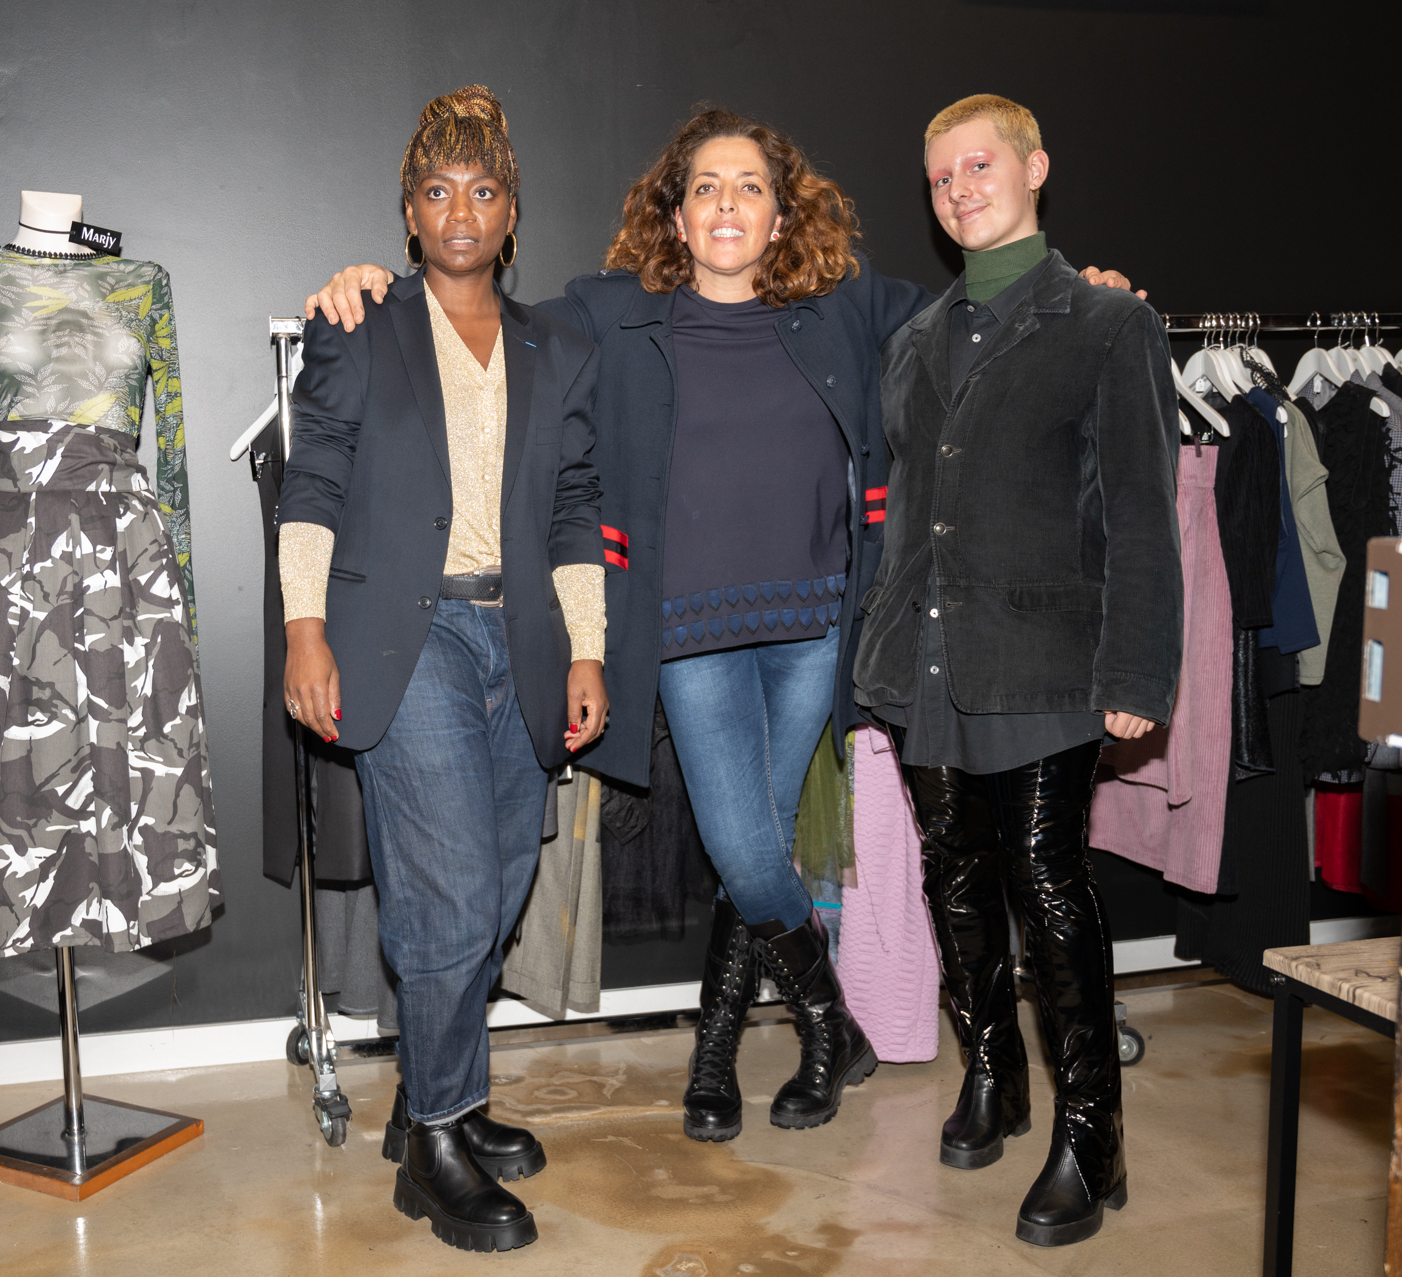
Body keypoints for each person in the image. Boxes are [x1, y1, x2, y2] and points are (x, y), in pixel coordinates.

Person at [305, 109, 1140, 1147]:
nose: (727, 203)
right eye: (705, 186)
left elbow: (986, 303)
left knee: (762, 853)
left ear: (782, 214)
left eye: (749, 186)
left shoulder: (847, 306)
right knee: (744, 846)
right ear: (677, 214)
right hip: (688, 630)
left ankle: (715, 1055)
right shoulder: (616, 311)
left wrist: (1083, 292)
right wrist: (370, 285)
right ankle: (832, 1021)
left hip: (812, 627)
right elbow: (469, 296)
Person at [277, 85, 607, 1254]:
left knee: (499, 880)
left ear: (511, 212)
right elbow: (313, 480)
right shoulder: (360, 325)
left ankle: (440, 1098)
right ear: (409, 212)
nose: (459, 211)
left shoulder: (559, 346)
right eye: (436, 191)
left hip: (522, 640)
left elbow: (574, 507)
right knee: (452, 888)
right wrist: (303, 628)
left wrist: (587, 644)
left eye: (482, 191)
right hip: (405, 642)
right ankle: (435, 1140)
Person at [853, 94, 1182, 1248]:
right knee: (953, 872)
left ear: (1036, 167)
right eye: (941, 176)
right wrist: (880, 646)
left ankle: (1095, 1132)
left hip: (1047, 660)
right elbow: (908, 515)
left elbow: (1143, 515)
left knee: (1047, 881)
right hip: (926, 656)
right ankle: (993, 1069)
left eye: (979, 165)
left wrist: (1139, 670)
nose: (959, 189)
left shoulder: (1109, 323)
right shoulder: (914, 338)